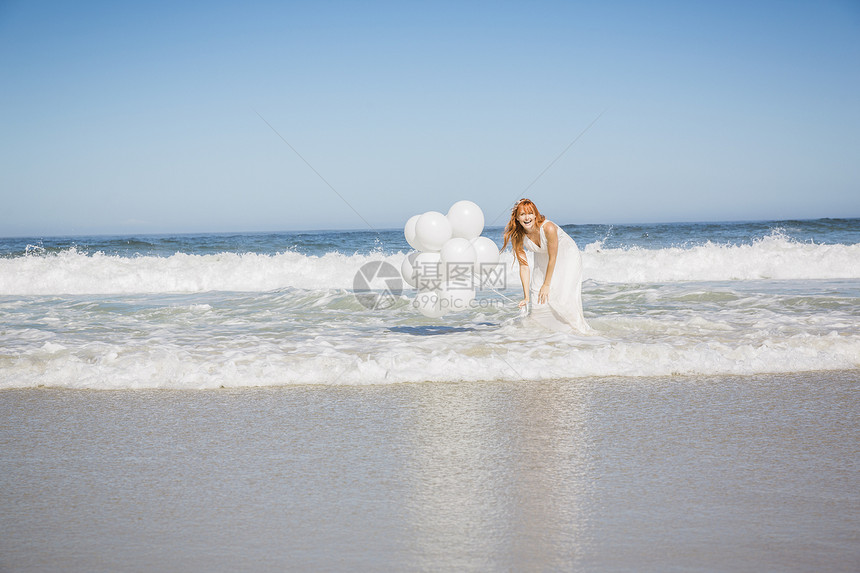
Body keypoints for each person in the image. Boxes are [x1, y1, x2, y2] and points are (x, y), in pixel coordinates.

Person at [502, 198, 592, 333]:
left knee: (562, 296)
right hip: (542, 255)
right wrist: (526, 296)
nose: (527, 218)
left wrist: (547, 284)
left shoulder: (548, 228)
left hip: (566, 255)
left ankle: (577, 333)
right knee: (537, 297)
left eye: (530, 213)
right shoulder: (517, 235)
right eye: (522, 214)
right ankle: (546, 335)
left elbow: (553, 257)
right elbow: (524, 266)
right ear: (517, 218)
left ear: (535, 215)